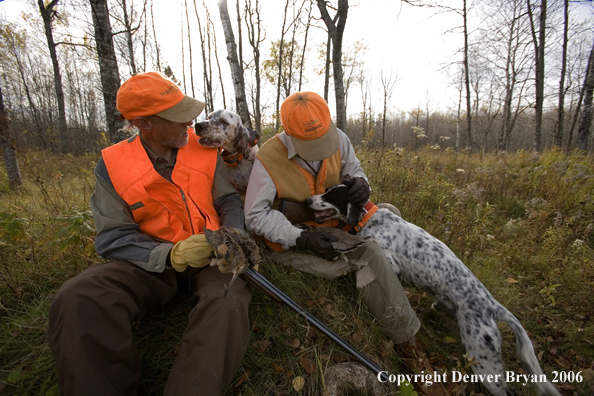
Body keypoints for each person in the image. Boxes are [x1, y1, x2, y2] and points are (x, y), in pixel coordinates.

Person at [47, 72, 251, 396]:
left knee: (227, 300)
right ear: (144, 124)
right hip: (150, 264)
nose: (189, 124)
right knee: (79, 297)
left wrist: (232, 235)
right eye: (177, 117)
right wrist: (171, 255)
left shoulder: (205, 148)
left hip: (214, 256)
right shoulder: (112, 165)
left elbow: (228, 201)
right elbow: (114, 237)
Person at [244, 91, 421, 349]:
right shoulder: (268, 159)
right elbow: (255, 216)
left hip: (336, 223)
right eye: (309, 144)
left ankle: (389, 285)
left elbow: (356, 171)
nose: (319, 150)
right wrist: (302, 238)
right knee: (367, 253)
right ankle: (408, 344)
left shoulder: (339, 138)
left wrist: (362, 185)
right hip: (294, 240)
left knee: (389, 212)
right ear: (289, 134)